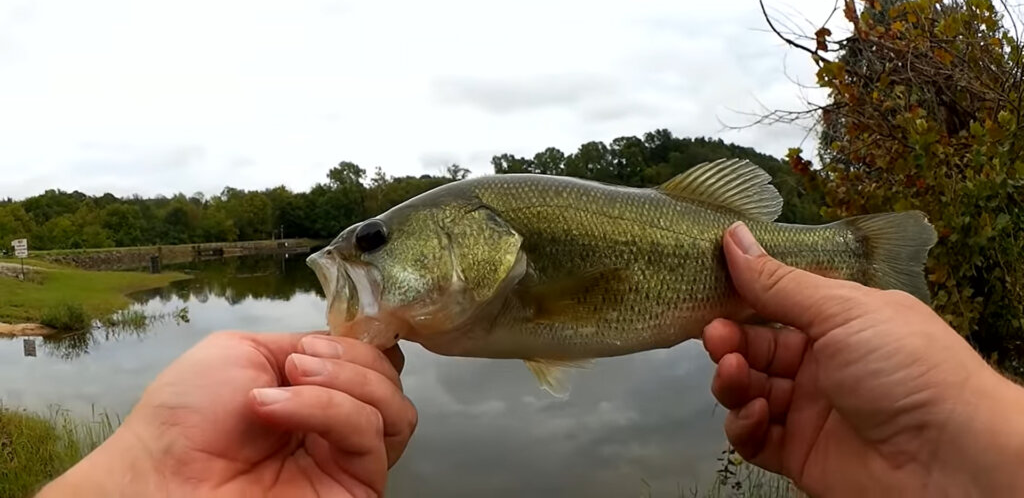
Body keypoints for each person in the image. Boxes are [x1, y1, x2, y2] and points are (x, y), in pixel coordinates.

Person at [37, 223, 1024, 497]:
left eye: (374, 243)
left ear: (478, 238)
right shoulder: (467, 301)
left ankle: (858, 253)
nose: (353, 261)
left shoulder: (518, 268)